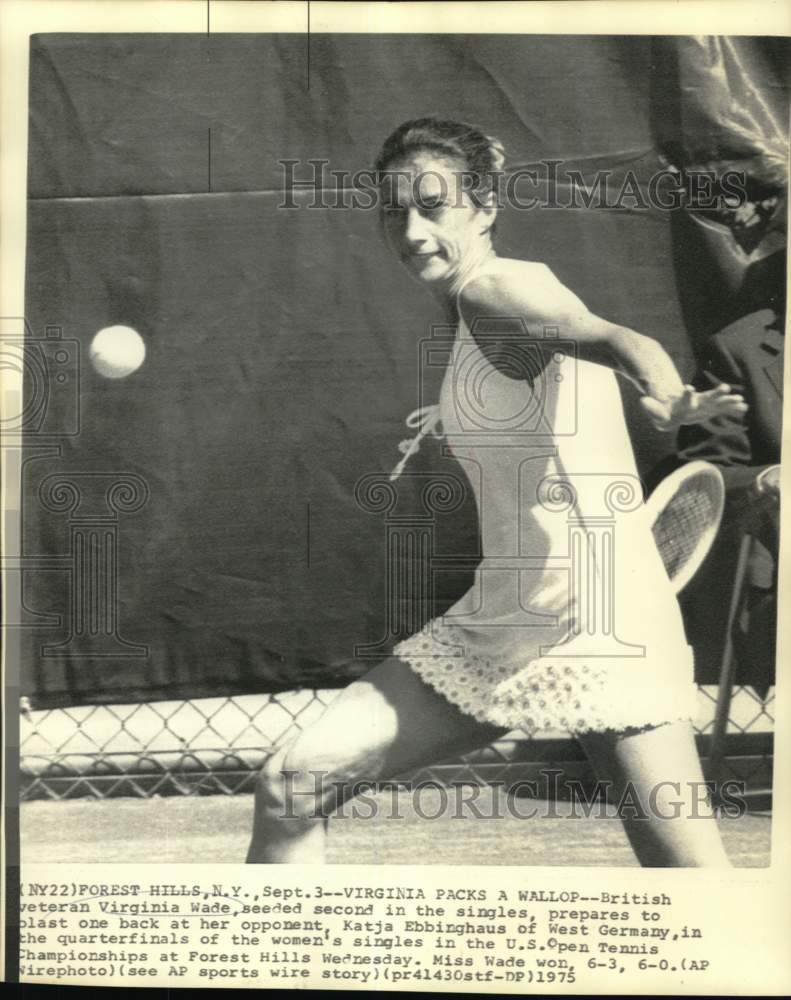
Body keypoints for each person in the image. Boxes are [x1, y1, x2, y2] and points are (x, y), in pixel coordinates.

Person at [247, 118, 747, 867]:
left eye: (432, 205)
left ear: (482, 207)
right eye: (393, 209)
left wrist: (668, 392)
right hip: (502, 621)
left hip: (597, 626)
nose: (411, 229)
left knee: (694, 887)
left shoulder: (493, 291)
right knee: (292, 786)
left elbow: (610, 337)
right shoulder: (474, 305)